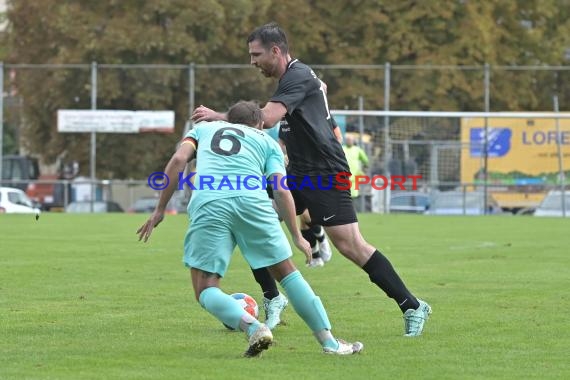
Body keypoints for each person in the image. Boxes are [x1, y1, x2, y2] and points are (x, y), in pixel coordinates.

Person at [191, 23, 432, 337]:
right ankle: (273, 298)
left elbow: (266, 119)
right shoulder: (298, 78)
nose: (252, 62)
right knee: (250, 216)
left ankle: (412, 305)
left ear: (276, 51)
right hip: (299, 172)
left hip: (325, 174)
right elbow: (318, 91)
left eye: (256, 54)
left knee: (351, 245)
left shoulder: (297, 76)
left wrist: (219, 117)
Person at [137, 100, 363, 357]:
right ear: (259, 124)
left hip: (209, 203)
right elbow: (280, 189)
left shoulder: (203, 130)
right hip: (253, 203)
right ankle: (330, 343)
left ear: (228, 120)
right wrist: (297, 235)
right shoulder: (267, 142)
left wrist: (160, 209)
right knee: (288, 275)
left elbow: (178, 160)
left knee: (205, 288)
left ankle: (254, 327)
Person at [342, 133, 369, 199]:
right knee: (344, 196)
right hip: (343, 176)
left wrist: (365, 169)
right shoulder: (342, 148)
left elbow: (365, 160)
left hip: (354, 177)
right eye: (348, 140)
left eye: (351, 140)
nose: (349, 141)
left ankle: (352, 209)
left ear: (353, 141)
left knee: (353, 196)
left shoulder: (357, 150)